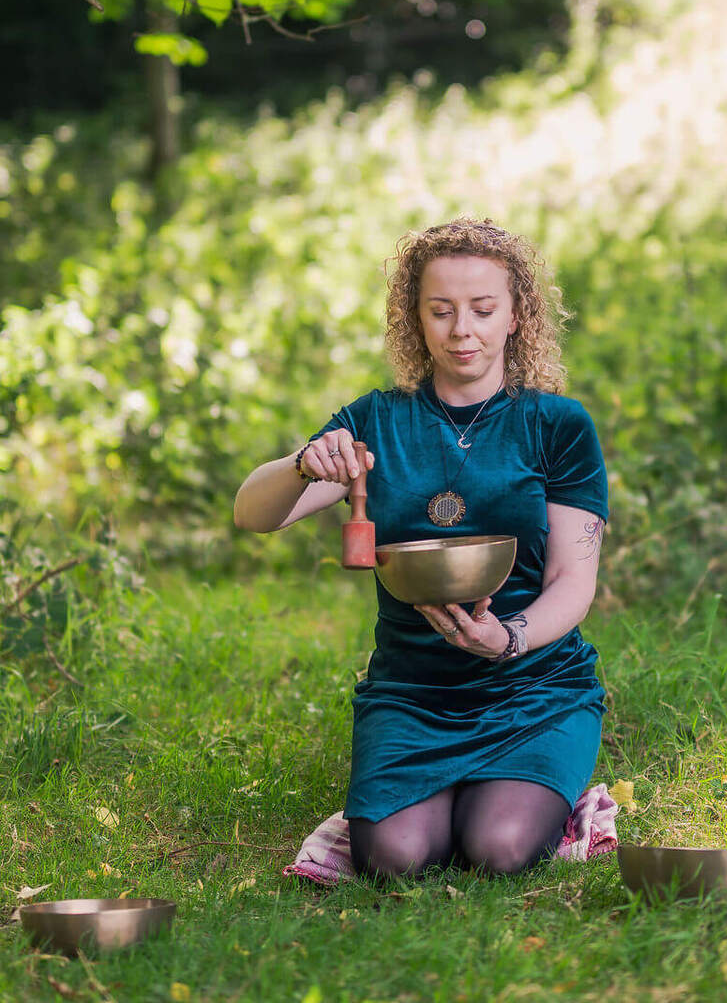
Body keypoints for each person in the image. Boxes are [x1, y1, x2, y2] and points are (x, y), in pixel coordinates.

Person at [233, 218, 610, 879]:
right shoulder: (376, 421)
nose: (462, 329)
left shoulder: (557, 426)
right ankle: (446, 794)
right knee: (395, 862)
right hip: (414, 691)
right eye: (441, 311)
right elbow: (252, 515)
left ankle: (544, 792)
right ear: (417, 319)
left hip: (532, 685)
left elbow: (574, 582)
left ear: (517, 316)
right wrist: (303, 463)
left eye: (482, 309)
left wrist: (510, 638)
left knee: (498, 850)